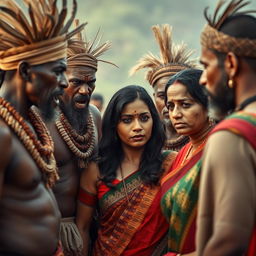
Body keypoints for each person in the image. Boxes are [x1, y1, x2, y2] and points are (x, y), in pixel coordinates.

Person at [0, 0, 83, 255]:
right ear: (25, 71)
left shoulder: (33, 124)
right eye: (57, 71)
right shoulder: (2, 134)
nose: (63, 82)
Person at [76, 85, 177, 256]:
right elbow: (83, 228)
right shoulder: (96, 170)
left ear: (154, 120)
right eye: (127, 120)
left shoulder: (170, 163)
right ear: (114, 125)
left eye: (144, 118)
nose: (137, 127)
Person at [46, 19, 115, 256]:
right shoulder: (40, 120)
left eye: (91, 83)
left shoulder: (94, 116)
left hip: (90, 226)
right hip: (51, 231)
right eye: (77, 82)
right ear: (60, 79)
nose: (85, 90)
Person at [197, 1, 256, 255]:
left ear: (230, 64)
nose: (201, 78)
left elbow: (228, 240)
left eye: (206, 66)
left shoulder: (233, 134)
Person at [160, 69, 214, 256]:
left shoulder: (219, 149)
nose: (175, 114)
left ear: (208, 104)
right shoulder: (183, 153)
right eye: (171, 106)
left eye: (185, 105)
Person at [130, 24, 198, 151]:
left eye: (182, 100)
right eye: (162, 96)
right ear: (154, 98)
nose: (169, 104)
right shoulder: (142, 137)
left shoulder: (204, 140)